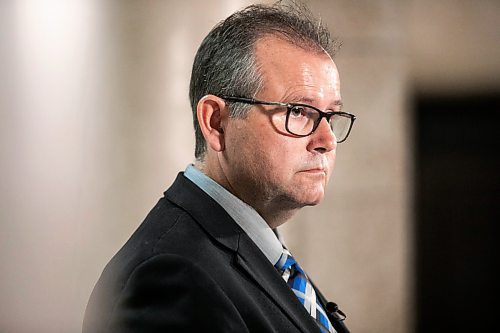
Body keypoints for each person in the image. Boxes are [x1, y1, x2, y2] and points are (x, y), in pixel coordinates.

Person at [83, 2, 355, 332]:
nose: (326, 139)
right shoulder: (174, 276)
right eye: (298, 111)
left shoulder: (257, 251)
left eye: (331, 115)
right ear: (216, 123)